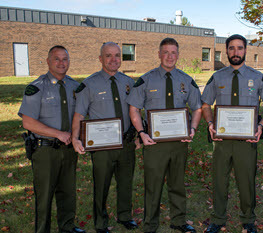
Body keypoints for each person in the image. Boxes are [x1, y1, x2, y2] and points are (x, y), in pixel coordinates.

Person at [201, 34, 263, 233]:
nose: (236, 52)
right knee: (219, 180)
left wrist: (260, 125)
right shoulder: (217, 77)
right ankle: (217, 219)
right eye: (232, 48)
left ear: (246, 50)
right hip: (222, 140)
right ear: (226, 50)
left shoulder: (258, 77)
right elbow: (205, 104)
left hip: (247, 140)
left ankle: (248, 219)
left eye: (240, 48)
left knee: (246, 181)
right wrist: (210, 122)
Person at [127, 38, 202, 233]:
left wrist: (192, 129)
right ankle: (150, 224)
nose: (170, 56)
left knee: (177, 183)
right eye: (166, 52)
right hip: (153, 143)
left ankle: (178, 220)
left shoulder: (186, 80)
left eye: (173, 52)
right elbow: (134, 108)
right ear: (159, 54)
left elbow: (197, 108)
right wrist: (141, 133)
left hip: (179, 142)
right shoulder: (146, 80)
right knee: (153, 185)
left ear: (178, 55)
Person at [71, 42, 138, 233]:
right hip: (101, 147)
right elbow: (79, 114)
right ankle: (100, 223)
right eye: (108, 55)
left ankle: (125, 216)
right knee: (101, 185)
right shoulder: (89, 84)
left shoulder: (129, 82)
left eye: (117, 55)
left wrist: (140, 135)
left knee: (125, 183)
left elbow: (135, 111)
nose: (114, 59)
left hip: (126, 143)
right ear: (101, 59)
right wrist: (75, 138)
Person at [18, 46, 85, 233]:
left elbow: (79, 115)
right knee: (44, 195)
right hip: (45, 150)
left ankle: (67, 226)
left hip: (69, 149)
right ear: (48, 61)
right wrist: (58, 134)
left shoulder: (75, 86)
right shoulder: (36, 87)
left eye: (65, 59)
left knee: (68, 191)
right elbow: (28, 122)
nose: (62, 63)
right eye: (57, 59)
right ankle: (42, 230)